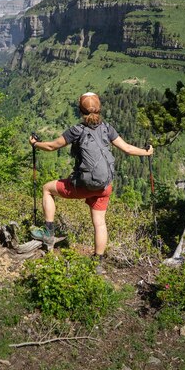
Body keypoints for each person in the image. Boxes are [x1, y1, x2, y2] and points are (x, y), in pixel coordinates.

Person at [28, 91, 153, 272]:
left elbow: (51, 146)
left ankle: (48, 232)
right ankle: (98, 263)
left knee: (47, 188)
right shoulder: (107, 128)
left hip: (85, 186)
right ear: (99, 109)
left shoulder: (76, 131)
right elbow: (127, 149)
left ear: (80, 110)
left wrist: (35, 144)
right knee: (100, 223)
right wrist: (146, 152)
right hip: (104, 187)